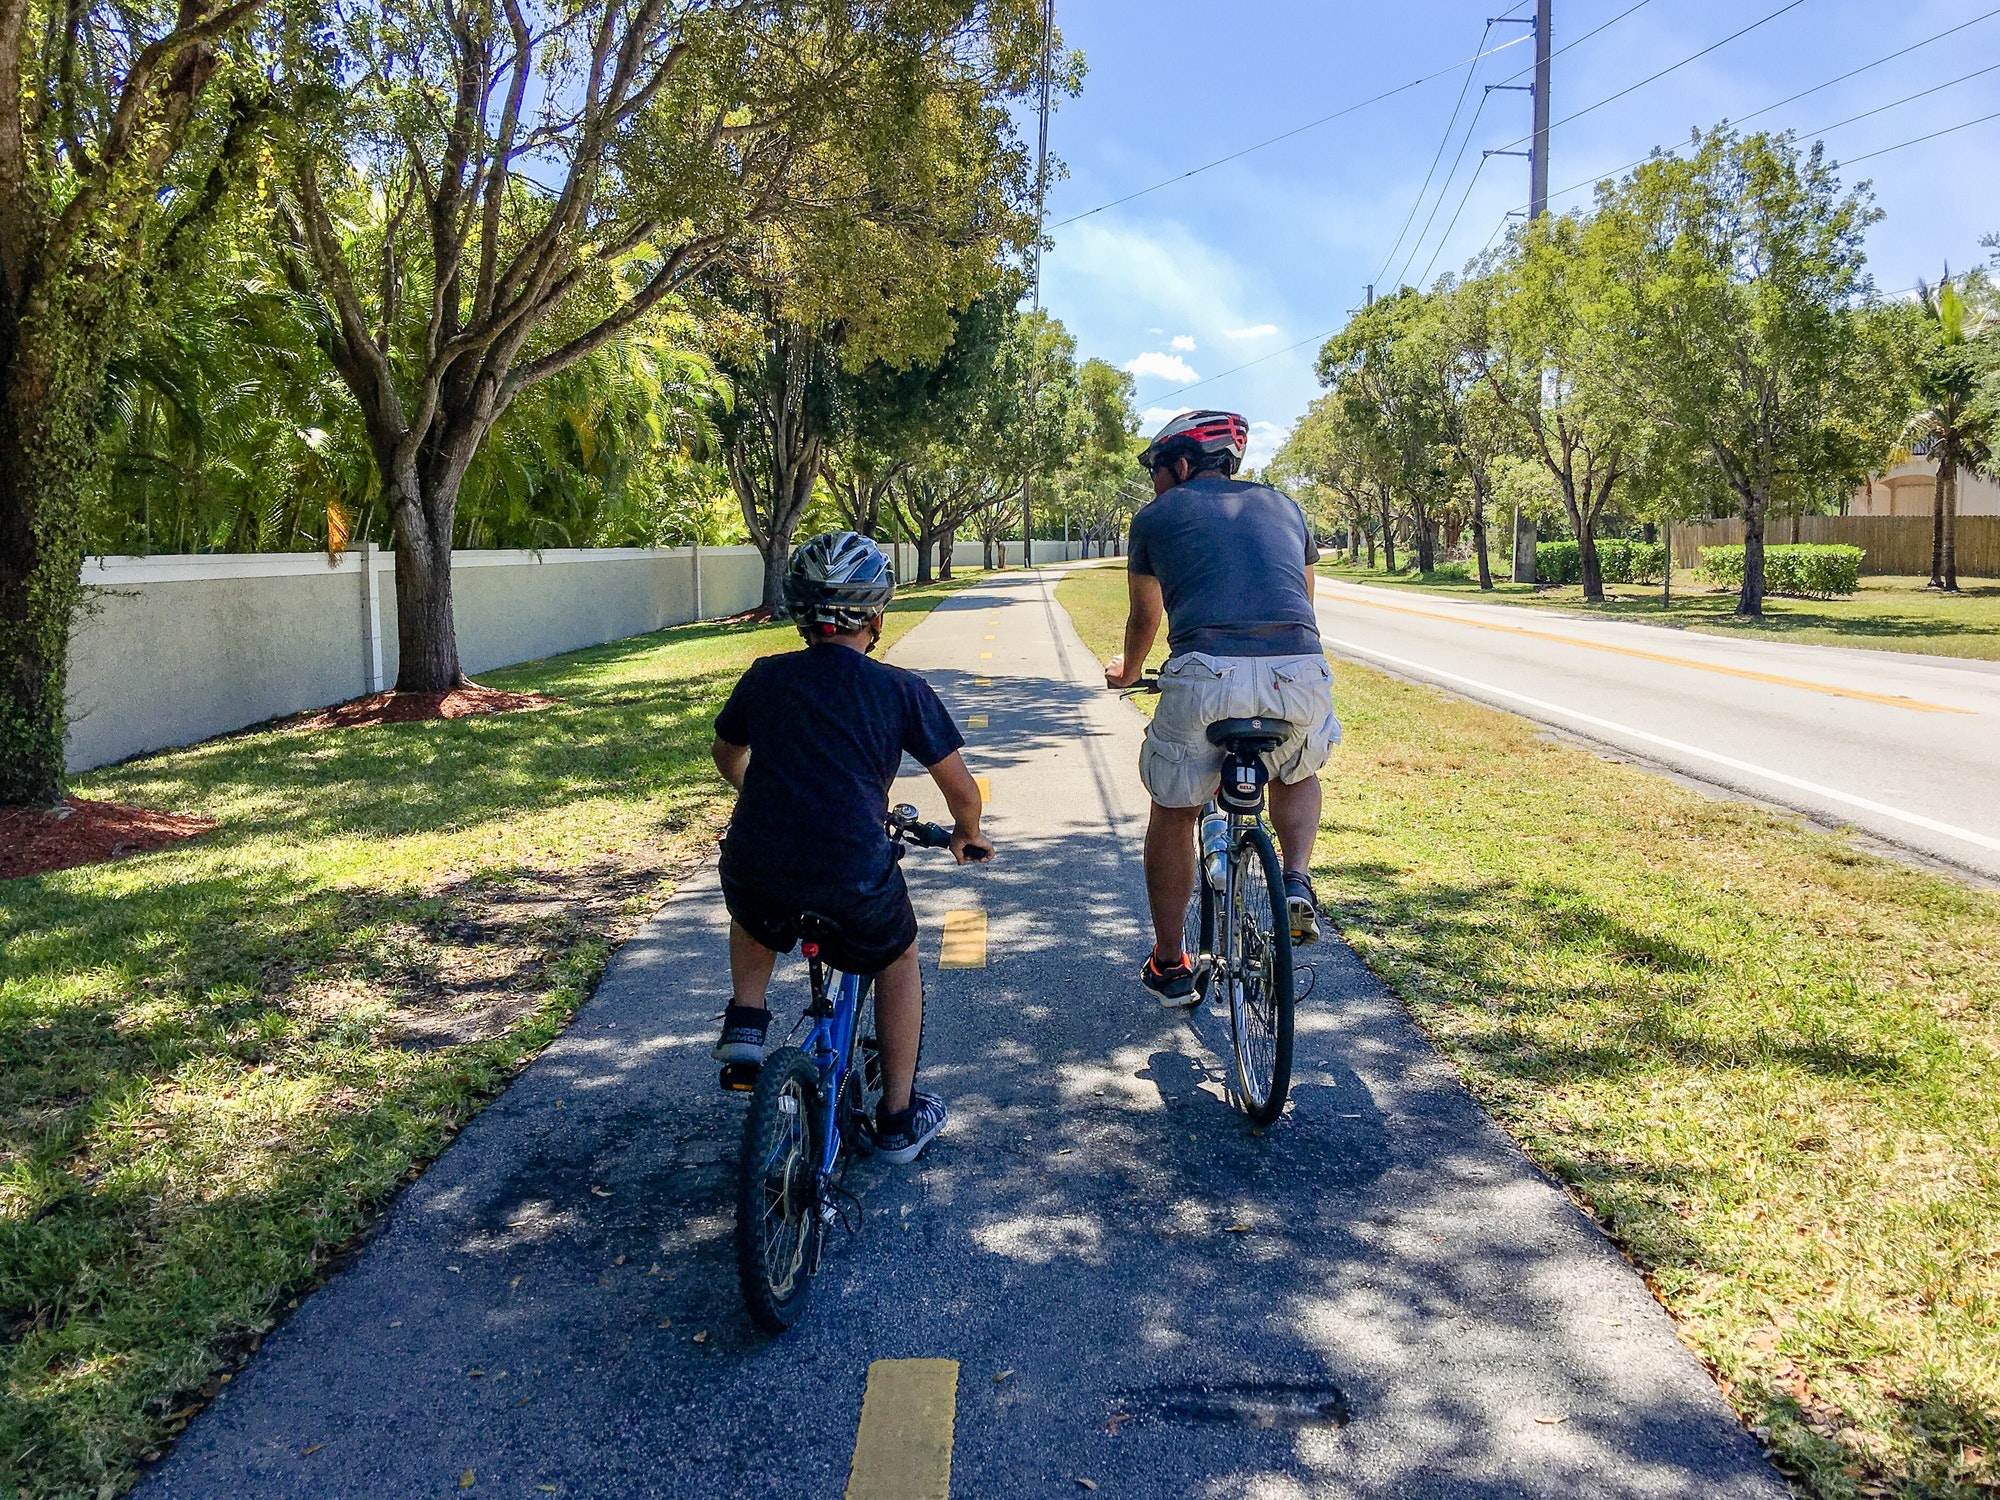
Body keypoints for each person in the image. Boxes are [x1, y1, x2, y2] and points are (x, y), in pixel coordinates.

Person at [708, 531, 993, 1162]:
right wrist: (965, 837)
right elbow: (963, 795)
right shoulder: (900, 689)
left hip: (759, 867)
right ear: (877, 618)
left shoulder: (766, 677)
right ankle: (896, 1118)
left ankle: (748, 1021)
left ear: (801, 616)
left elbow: (727, 752)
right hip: (852, 876)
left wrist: (761, 791)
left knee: (753, 903)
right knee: (897, 959)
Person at [1103, 410, 1340, 1005]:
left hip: (1205, 673)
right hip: (1299, 669)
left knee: (1175, 808)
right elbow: (1304, 603)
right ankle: (1295, 881)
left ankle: (1169, 962)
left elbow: (1145, 616)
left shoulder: (1156, 517)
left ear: (1181, 465)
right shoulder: (1286, 506)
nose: (1155, 484)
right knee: (1297, 769)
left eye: (1158, 470)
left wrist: (1127, 673)